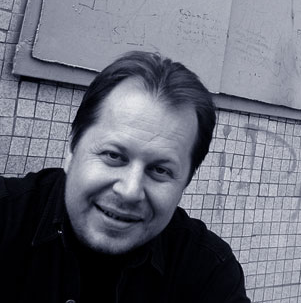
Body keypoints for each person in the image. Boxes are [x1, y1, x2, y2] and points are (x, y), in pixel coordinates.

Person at [0, 51, 250, 302]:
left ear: (185, 182)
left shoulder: (208, 271)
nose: (130, 191)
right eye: (113, 155)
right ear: (72, 149)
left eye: (160, 170)